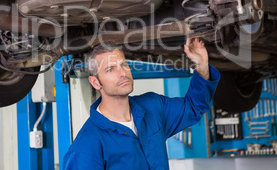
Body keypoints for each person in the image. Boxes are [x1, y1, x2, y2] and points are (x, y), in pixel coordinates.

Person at [62, 37, 220, 169]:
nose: (122, 73)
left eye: (124, 64)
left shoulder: (152, 107)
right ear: (95, 82)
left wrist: (202, 64)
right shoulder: (86, 149)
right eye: (110, 69)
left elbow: (193, 107)